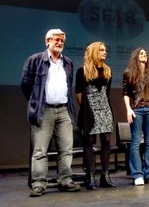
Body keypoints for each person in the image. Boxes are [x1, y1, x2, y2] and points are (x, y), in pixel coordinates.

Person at [20, 28, 80, 197]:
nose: (59, 43)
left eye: (62, 40)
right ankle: (39, 183)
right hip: (43, 110)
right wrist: (35, 102)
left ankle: (65, 180)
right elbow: (26, 85)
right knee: (40, 150)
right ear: (47, 41)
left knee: (66, 149)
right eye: (56, 40)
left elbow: (69, 86)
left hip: (63, 110)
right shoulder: (35, 60)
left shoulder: (67, 62)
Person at [75, 42, 116, 190]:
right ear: (93, 52)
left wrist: (104, 109)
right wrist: (87, 109)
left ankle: (105, 175)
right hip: (89, 109)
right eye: (101, 50)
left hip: (104, 108)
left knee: (106, 140)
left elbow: (107, 92)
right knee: (89, 142)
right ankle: (90, 176)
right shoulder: (82, 71)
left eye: (105, 50)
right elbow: (78, 92)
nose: (104, 52)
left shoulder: (108, 70)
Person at [122, 47, 149, 185]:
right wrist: (128, 109)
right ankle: (137, 174)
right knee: (136, 142)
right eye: (141, 53)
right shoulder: (128, 73)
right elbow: (126, 93)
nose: (144, 54)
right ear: (136, 56)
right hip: (136, 109)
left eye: (146, 53)